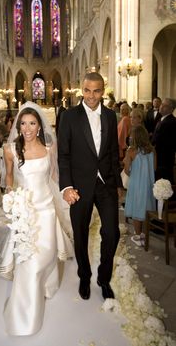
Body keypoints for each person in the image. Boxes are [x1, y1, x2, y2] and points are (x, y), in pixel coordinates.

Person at [1, 101, 73, 335]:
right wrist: (10, 195)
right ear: (18, 125)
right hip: (25, 213)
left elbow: (54, 176)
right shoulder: (10, 149)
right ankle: (24, 317)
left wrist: (65, 193)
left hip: (47, 211)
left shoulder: (50, 148)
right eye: (23, 123)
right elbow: (9, 177)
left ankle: (47, 286)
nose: (27, 128)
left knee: (48, 255)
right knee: (29, 264)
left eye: (32, 123)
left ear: (40, 127)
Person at [58, 72, 122, 301]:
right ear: (81, 90)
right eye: (87, 90)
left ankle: (103, 279)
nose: (91, 96)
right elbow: (63, 155)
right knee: (81, 233)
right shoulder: (69, 116)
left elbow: (114, 151)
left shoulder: (110, 116)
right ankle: (84, 276)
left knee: (112, 233)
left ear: (102, 91)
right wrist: (66, 187)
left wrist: (116, 182)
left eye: (96, 91)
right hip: (79, 186)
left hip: (106, 184)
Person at [123, 125, 156, 246]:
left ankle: (138, 236)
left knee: (137, 208)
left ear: (135, 137)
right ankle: (145, 235)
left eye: (132, 135)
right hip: (149, 184)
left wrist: (127, 163)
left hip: (136, 184)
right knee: (146, 209)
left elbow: (127, 171)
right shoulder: (152, 150)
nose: (130, 136)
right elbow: (155, 168)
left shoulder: (131, 151)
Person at [152, 98, 176, 184]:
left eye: (165, 106)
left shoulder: (172, 122)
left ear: (171, 109)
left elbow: (163, 141)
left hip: (164, 159)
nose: (161, 107)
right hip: (158, 157)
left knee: (164, 183)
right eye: (162, 104)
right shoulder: (162, 119)